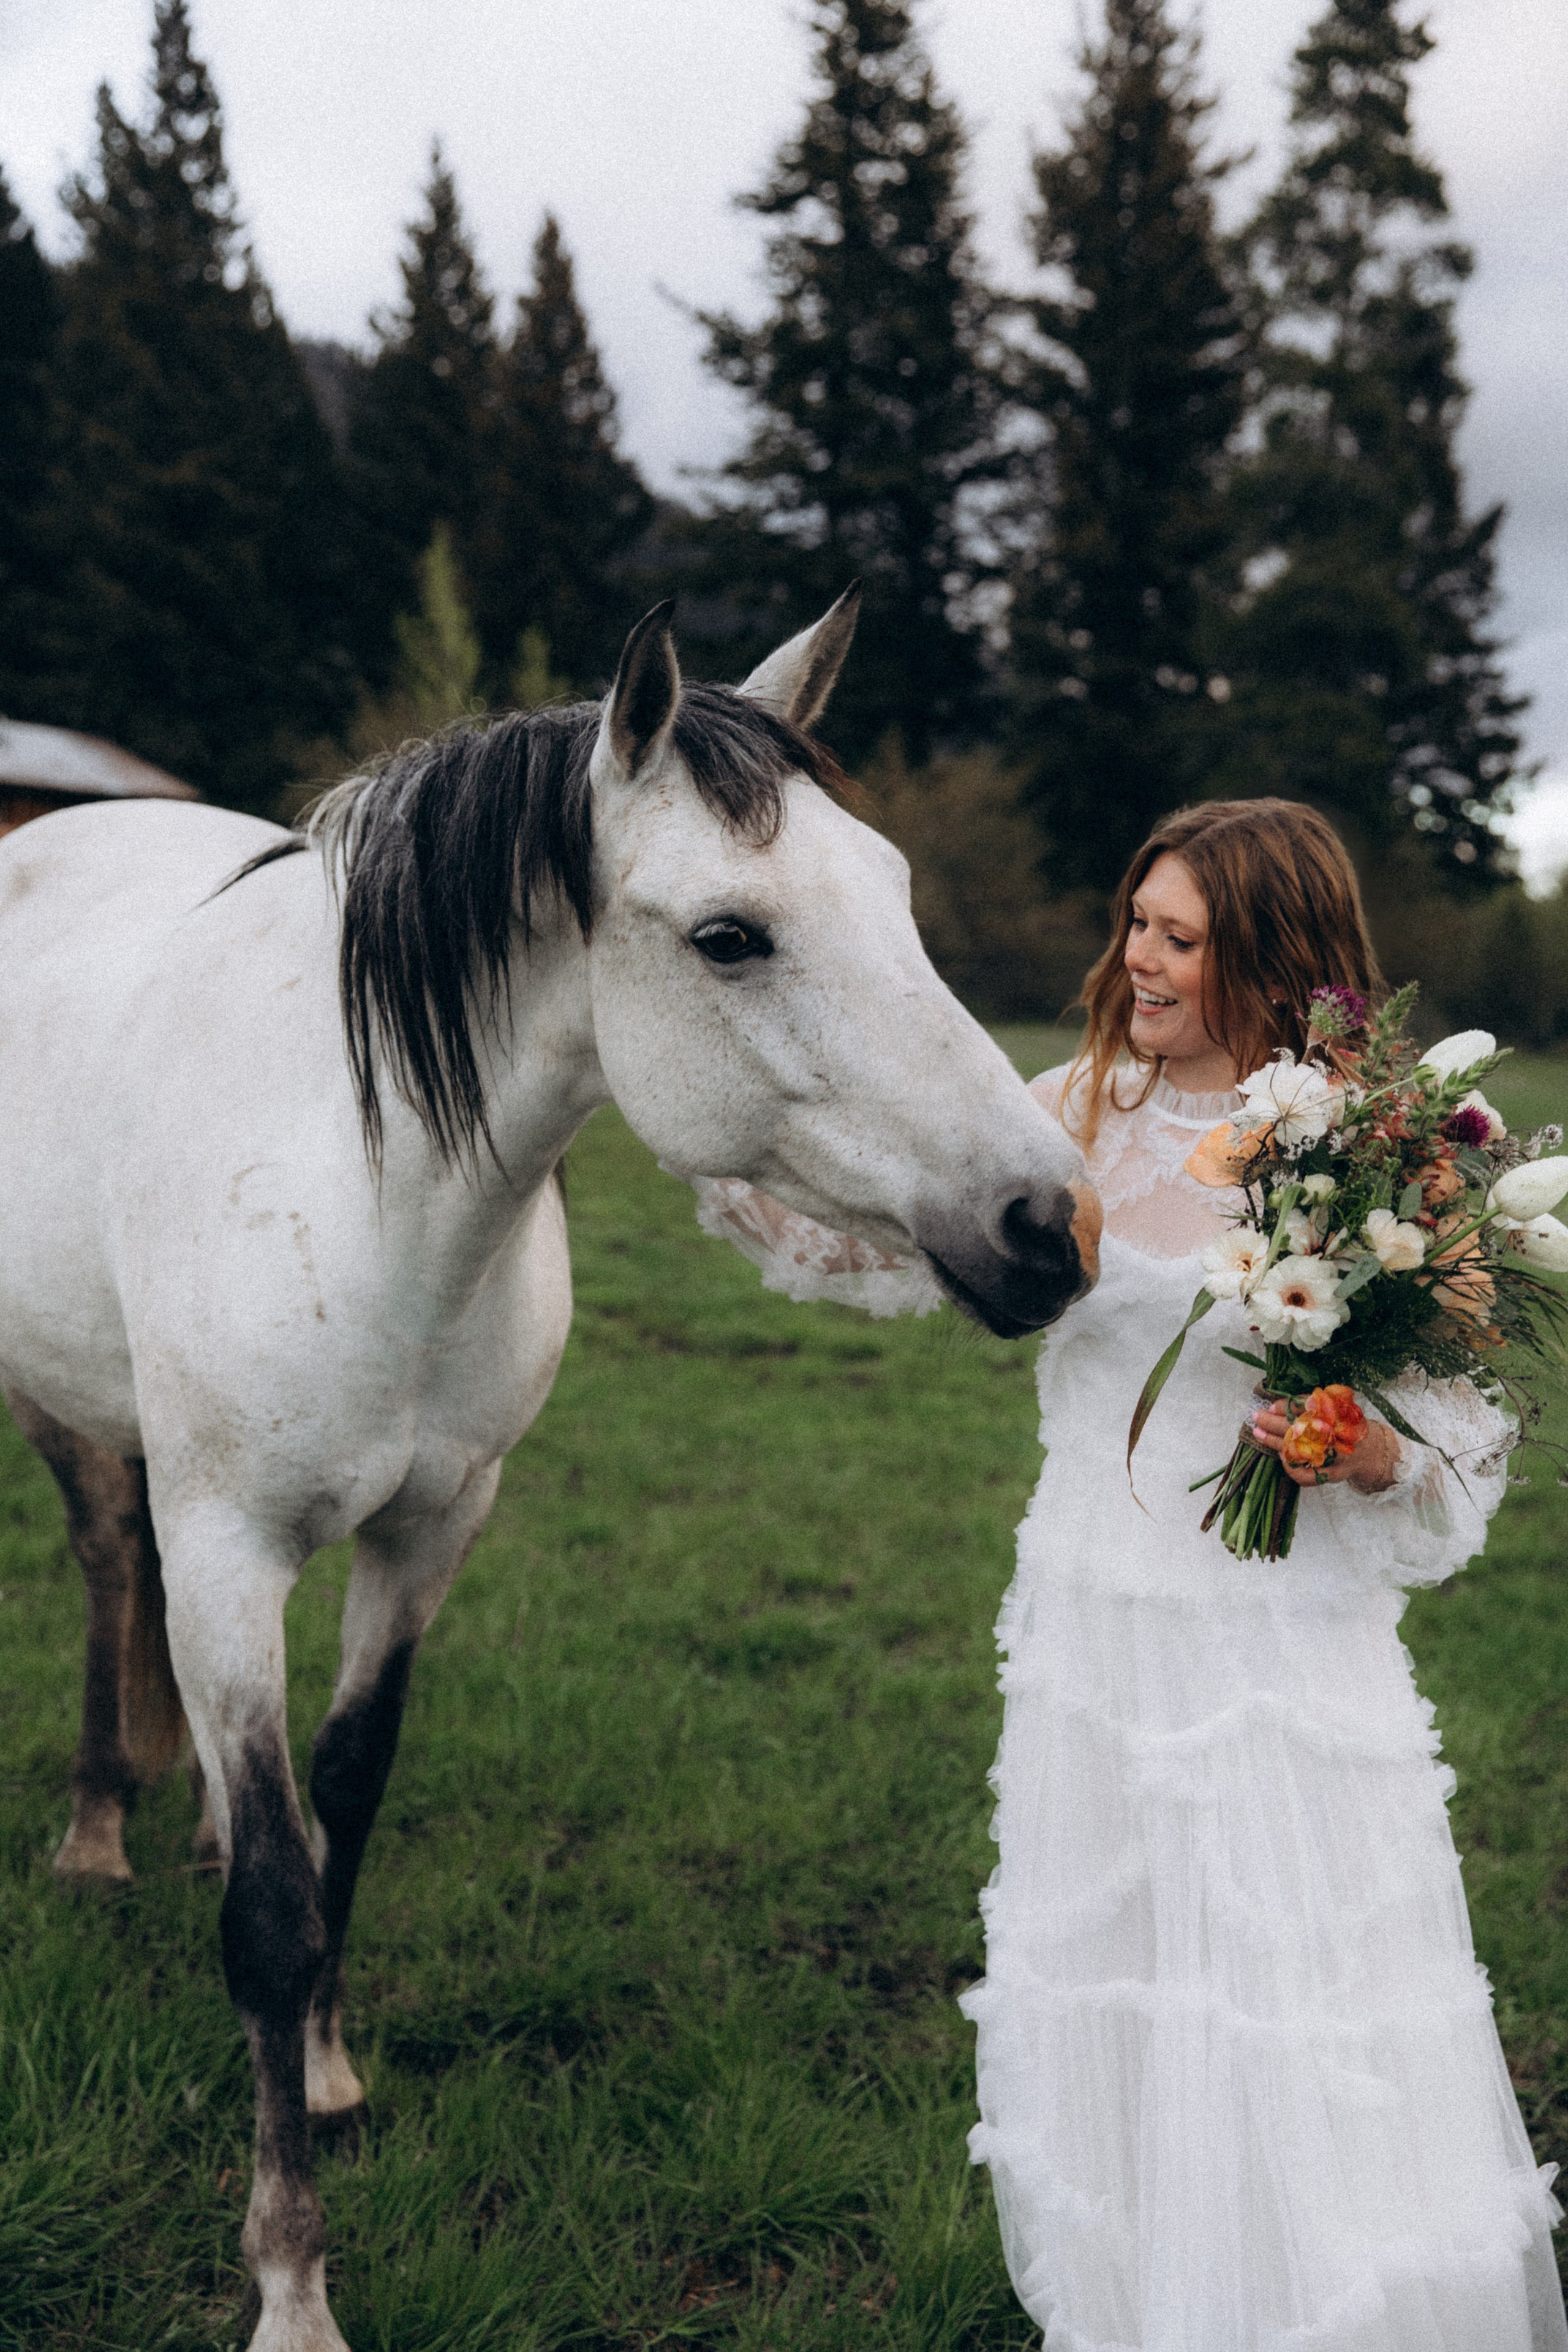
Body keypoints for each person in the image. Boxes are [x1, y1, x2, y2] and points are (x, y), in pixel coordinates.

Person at [695, 797, 1568, 2351]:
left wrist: (1365, 1449)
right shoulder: (1073, 1110)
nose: (1137, 961)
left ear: (1264, 955)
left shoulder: (1368, 1151)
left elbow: (1460, 1438)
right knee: (1119, 1986)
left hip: (1274, 1655)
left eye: (1178, 937)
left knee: (1286, 2000)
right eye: (1134, 925)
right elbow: (876, 1245)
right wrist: (723, 1131)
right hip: (1091, 1631)